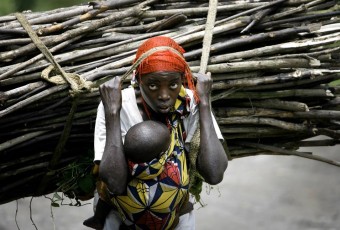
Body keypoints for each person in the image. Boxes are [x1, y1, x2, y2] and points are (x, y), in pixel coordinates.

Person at [92, 36, 228, 229]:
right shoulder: (119, 105)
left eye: (173, 85)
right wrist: (112, 113)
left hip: (177, 219)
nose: (164, 96)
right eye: (153, 85)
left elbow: (214, 175)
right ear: (138, 80)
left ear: (182, 79)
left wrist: (205, 103)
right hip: (119, 219)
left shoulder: (190, 102)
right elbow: (115, 183)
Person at [83, 120, 171, 229]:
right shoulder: (167, 172)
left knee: (106, 190)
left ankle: (98, 218)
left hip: (127, 216)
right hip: (160, 220)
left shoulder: (123, 169)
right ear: (161, 154)